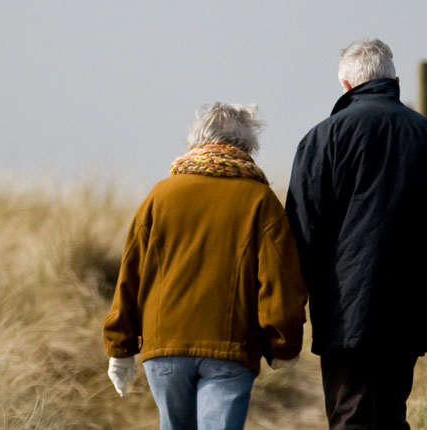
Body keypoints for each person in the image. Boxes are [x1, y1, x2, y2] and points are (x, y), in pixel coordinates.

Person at [286, 39, 427, 430]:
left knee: (350, 418)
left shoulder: (322, 140)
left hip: (343, 313)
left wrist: (308, 295)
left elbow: (299, 236)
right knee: (391, 415)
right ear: (395, 80)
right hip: (407, 311)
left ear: (345, 85)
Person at [102, 103, 308, 430]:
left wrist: (120, 346)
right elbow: (280, 282)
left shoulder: (160, 195)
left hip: (164, 348)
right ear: (247, 146)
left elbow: (130, 276)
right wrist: (283, 344)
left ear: (195, 141)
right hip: (230, 348)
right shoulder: (260, 200)